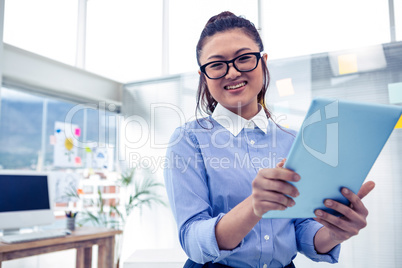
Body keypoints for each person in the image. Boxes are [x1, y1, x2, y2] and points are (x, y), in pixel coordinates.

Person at [164, 11, 375, 268]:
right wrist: (254, 205)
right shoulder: (188, 140)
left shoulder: (294, 140)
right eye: (217, 65)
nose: (231, 73)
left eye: (244, 58)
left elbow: (301, 227)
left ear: (263, 62)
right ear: (204, 76)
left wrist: (336, 232)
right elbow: (193, 239)